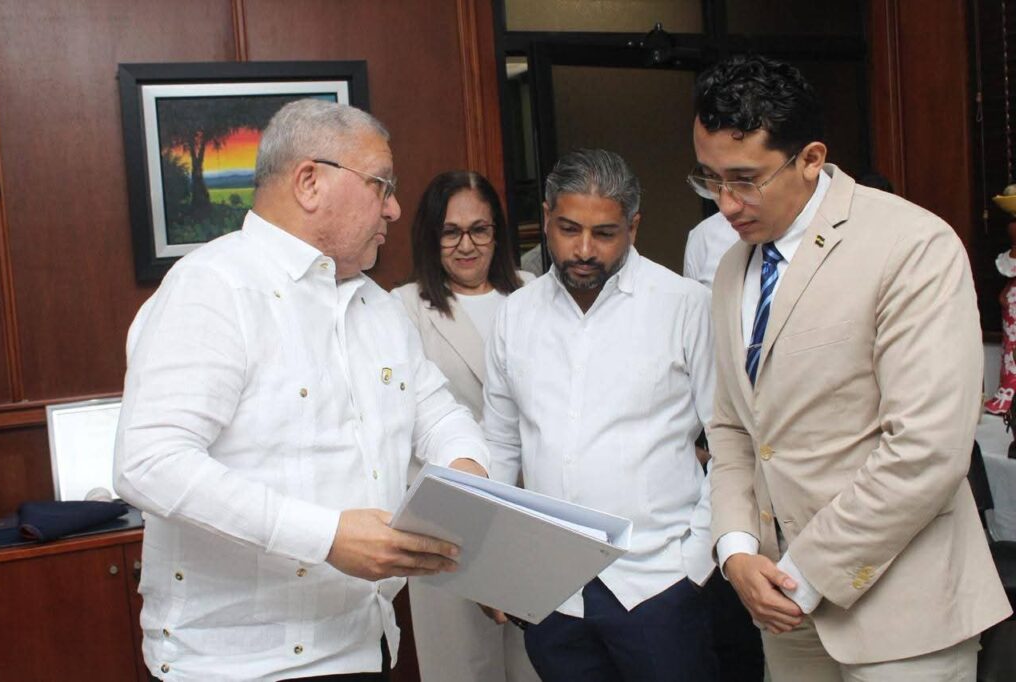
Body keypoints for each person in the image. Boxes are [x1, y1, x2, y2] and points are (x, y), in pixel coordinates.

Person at [113, 99, 491, 682]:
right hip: (242, 666)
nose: (393, 208)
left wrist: (465, 476)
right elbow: (148, 463)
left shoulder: (378, 309)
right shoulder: (213, 288)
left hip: (367, 644)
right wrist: (328, 537)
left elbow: (440, 415)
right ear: (310, 182)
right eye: (381, 185)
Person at [693, 54, 1011, 681]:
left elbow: (926, 449)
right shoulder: (733, 267)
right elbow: (732, 427)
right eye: (709, 179)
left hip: (903, 612)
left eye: (744, 180)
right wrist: (735, 549)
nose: (725, 205)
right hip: (781, 607)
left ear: (811, 158)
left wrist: (806, 571)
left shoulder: (911, 245)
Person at [482, 148, 717, 682]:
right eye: (568, 229)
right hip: (551, 590)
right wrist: (497, 568)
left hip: (658, 584)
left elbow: (730, 443)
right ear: (546, 218)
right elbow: (500, 446)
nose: (584, 250)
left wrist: (696, 563)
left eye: (605, 233)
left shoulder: (684, 305)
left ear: (633, 227)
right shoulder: (515, 315)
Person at [391, 170, 539, 682]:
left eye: (479, 229)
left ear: (498, 232)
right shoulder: (403, 307)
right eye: (450, 232)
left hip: (531, 509)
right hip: (447, 521)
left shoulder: (533, 293)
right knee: (461, 667)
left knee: (537, 663)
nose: (467, 245)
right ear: (430, 236)